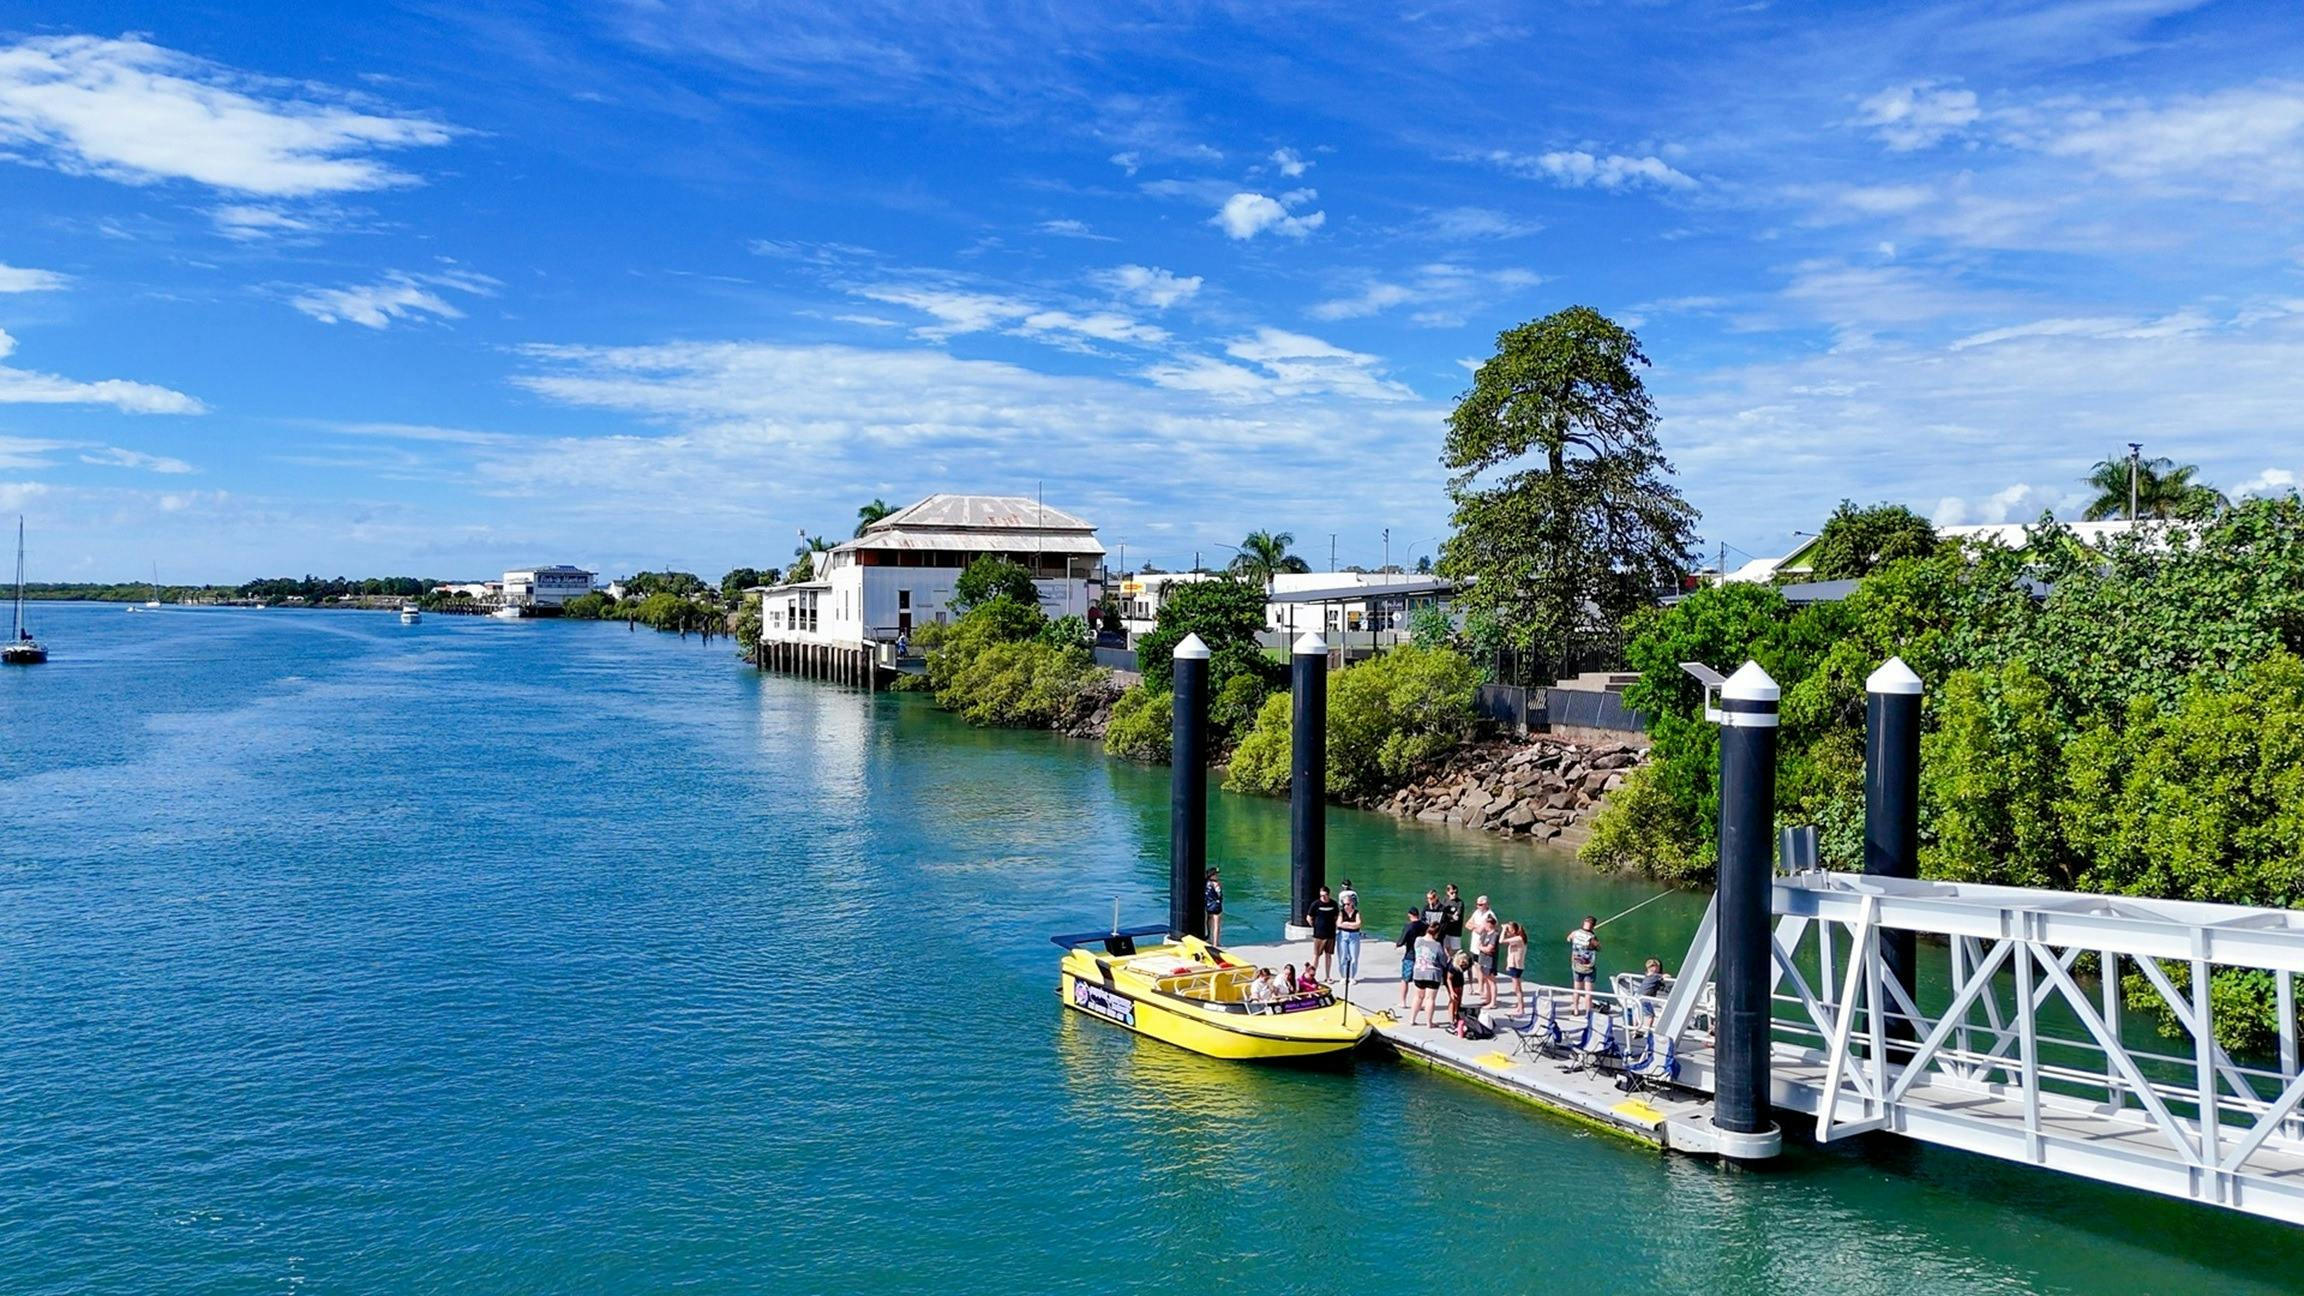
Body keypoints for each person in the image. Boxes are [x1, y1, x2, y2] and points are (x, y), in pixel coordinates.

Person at [1410, 923, 1446, 1027]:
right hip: (1432, 974)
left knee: (1418, 997)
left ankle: (1412, 1019)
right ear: (1437, 933)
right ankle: (1429, 1022)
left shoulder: (1418, 940)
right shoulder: (1437, 945)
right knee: (1430, 999)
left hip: (1419, 971)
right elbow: (1443, 961)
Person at [1467, 896, 1500, 1009]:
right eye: (1477, 904)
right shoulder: (1477, 912)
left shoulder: (1490, 915)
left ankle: (1489, 997)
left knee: (1489, 976)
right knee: (1477, 967)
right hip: (1476, 945)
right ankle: (1483, 991)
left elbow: (1481, 930)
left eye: (1480, 905)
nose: (1478, 906)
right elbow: (1468, 924)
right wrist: (1477, 926)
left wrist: (1477, 927)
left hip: (1485, 950)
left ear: (1486, 904)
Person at [1305, 885, 1341, 980]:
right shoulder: (1315, 904)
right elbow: (1309, 917)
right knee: (1316, 956)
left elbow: (1337, 916)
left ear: (1328, 894)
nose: (1323, 897)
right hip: (1319, 935)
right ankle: (1311, 976)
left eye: (1324, 895)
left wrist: (1336, 925)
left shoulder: (1333, 904)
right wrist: (1315, 926)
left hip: (1330, 934)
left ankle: (1328, 976)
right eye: (1321, 895)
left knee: (1328, 956)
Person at [1568, 915, 1601, 1015]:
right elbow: (1599, 948)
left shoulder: (1575, 933)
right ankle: (1588, 1012)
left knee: (1576, 989)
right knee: (1588, 992)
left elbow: (1568, 939)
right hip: (1588, 968)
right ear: (1593, 926)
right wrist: (1592, 935)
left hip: (1576, 965)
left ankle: (1576, 1010)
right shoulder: (1592, 938)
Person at [1397, 907, 1427, 1010]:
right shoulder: (1425, 926)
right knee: (1420, 982)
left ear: (1409, 915)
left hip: (1410, 955)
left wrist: (1398, 944)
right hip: (1422, 956)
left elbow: (1402, 940)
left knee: (1405, 979)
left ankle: (1403, 1002)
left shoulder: (1408, 927)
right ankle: (1420, 1003)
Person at [1500, 921, 1529, 1013]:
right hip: (1514, 965)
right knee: (1516, 987)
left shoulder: (1518, 939)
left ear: (1514, 930)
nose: (1508, 932)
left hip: (1516, 966)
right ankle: (1520, 1005)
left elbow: (1501, 941)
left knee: (1517, 988)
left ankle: (1521, 1007)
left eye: (1509, 930)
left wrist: (1503, 929)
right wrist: (1508, 965)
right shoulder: (1517, 938)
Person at [1337, 895, 1364, 985]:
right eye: (1344, 904)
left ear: (1352, 903)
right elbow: (1339, 924)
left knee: (1354, 957)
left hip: (1354, 936)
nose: (1345, 906)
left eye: (1347, 904)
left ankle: (1352, 976)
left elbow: (1358, 924)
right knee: (1342, 956)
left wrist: (1346, 923)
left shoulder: (1356, 913)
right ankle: (1343, 976)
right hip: (1343, 936)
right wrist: (1351, 924)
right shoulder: (1341, 913)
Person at [1443, 951, 1471, 1024]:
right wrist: (1451, 991)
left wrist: (1471, 985)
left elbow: (1469, 971)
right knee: (1453, 999)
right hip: (1450, 980)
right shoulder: (1452, 966)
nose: (1463, 964)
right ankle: (1451, 1019)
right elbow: (1448, 979)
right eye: (1462, 963)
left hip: (1459, 979)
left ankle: (1457, 1014)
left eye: (1465, 963)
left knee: (1459, 998)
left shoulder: (1468, 962)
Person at [1439, 884, 1466, 954]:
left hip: (1455, 931)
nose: (1454, 894)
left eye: (1456, 893)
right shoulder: (1444, 901)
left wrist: (1447, 915)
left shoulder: (1460, 903)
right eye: (1452, 893)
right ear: (1447, 892)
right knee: (1445, 949)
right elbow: (1441, 913)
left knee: (1456, 951)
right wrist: (1450, 916)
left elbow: (1457, 916)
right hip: (1446, 930)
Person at [1204, 868, 1224, 946]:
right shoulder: (1216, 884)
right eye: (1215, 874)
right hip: (1216, 907)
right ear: (1212, 875)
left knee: (1208, 922)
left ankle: (1209, 938)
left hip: (1208, 906)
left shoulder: (1206, 883)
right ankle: (1216, 943)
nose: (1217, 876)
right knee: (1216, 925)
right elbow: (1219, 895)